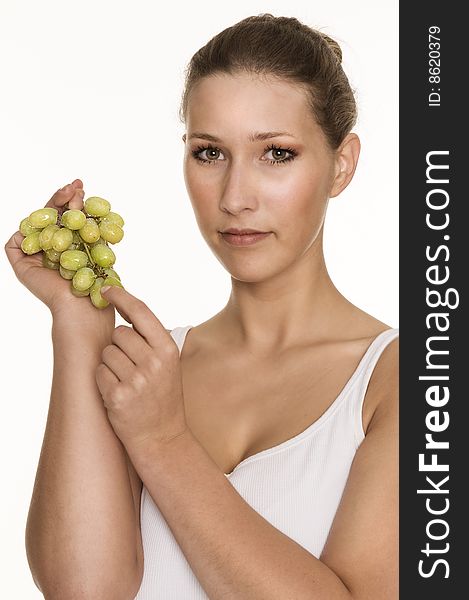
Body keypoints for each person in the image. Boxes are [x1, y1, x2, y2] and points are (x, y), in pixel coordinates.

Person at [5, 13, 398, 600]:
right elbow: (84, 591)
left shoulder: (405, 381)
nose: (236, 198)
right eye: (210, 153)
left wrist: (164, 443)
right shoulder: (145, 368)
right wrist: (80, 325)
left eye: (278, 154)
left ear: (342, 163)